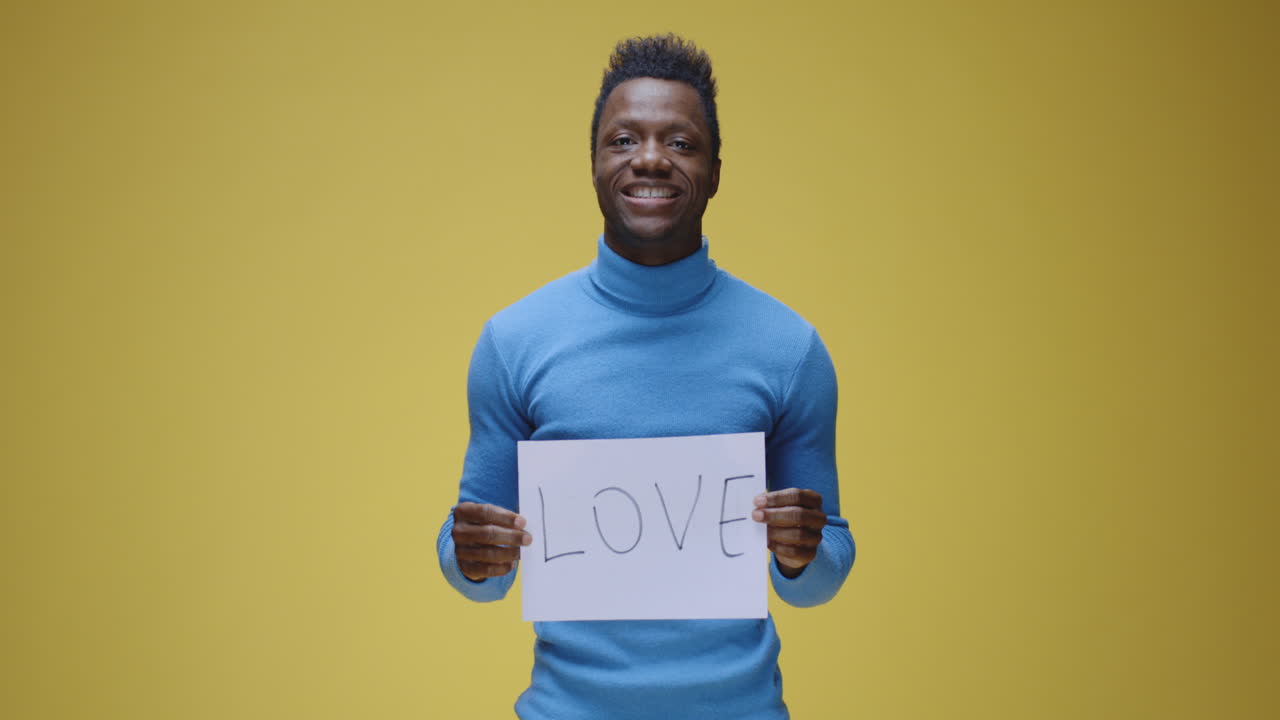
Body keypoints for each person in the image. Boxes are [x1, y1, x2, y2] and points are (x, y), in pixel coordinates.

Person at [437, 34, 855, 719]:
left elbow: (821, 571)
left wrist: (804, 550)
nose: (651, 159)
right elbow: (474, 572)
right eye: (624, 139)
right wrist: (472, 556)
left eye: (680, 143)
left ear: (716, 170)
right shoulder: (515, 341)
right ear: (595, 162)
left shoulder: (789, 348)